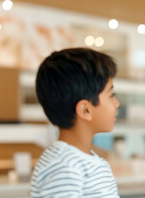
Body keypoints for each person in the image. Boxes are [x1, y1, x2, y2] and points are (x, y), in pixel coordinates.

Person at [30, 48, 120, 197]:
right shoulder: (64, 166)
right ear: (85, 110)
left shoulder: (83, 160)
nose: (116, 104)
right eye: (111, 95)